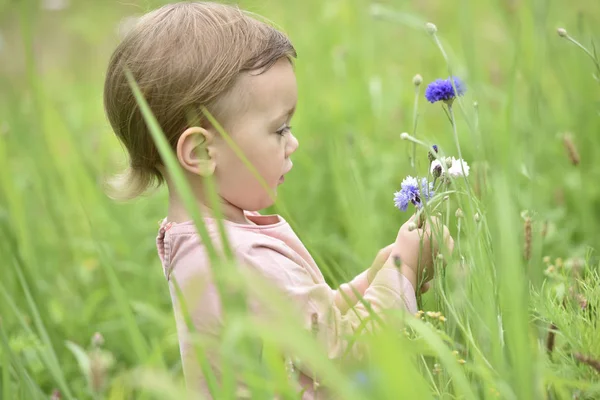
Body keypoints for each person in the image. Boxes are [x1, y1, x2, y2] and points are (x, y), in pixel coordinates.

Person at [103, 2, 452, 398]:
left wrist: (372, 280)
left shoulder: (205, 246)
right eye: (279, 129)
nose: (293, 142)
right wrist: (403, 270)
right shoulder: (240, 259)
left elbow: (306, 325)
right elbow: (346, 355)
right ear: (200, 152)